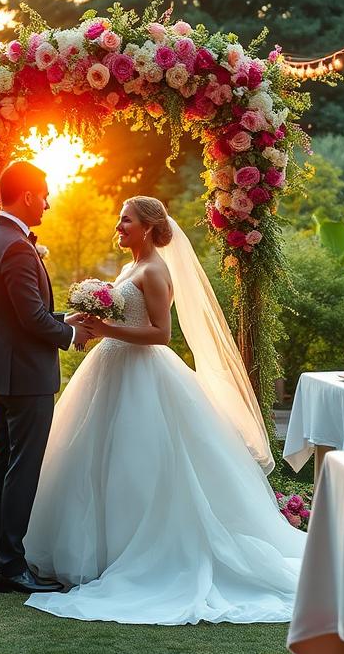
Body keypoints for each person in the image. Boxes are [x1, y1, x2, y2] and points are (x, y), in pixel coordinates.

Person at [23, 196, 305, 624]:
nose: (119, 227)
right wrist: (92, 322)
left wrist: (105, 328)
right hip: (111, 368)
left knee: (140, 464)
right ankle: (101, 554)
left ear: (151, 228)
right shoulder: (128, 268)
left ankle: (140, 554)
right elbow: (124, 320)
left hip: (144, 375)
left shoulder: (155, 270)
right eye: (119, 219)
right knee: (98, 461)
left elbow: (160, 334)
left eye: (127, 221)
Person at [0, 161, 90, 594]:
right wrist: (72, 333)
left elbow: (13, 313)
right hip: (26, 376)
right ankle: (12, 566)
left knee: (0, 464)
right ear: (26, 196)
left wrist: (64, 316)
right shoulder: (18, 247)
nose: (48, 201)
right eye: (43, 194)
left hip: (1, 372)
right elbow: (31, 319)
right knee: (22, 470)